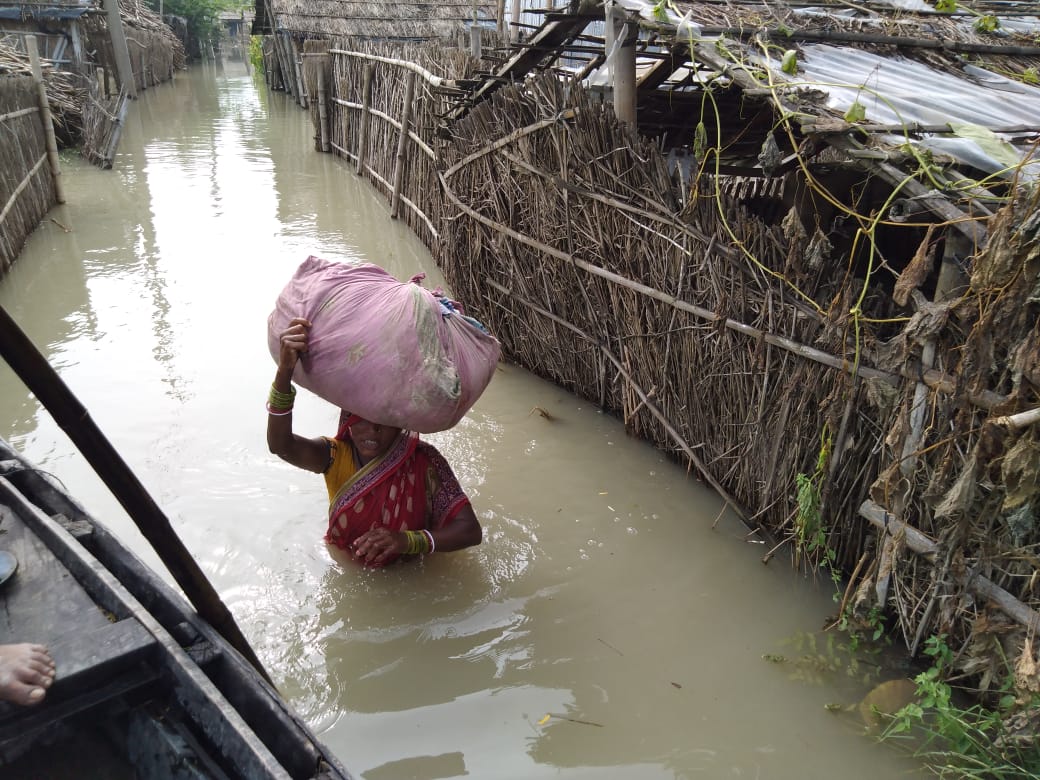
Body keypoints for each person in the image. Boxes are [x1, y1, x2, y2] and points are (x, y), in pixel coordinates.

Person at [267, 317, 483, 567]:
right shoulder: (334, 456)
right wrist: (284, 372)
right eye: (362, 419)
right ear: (347, 418)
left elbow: (470, 531)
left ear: (401, 421)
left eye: (383, 420)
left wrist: (407, 541)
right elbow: (280, 446)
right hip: (349, 567)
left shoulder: (425, 461)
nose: (373, 430)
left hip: (411, 575)